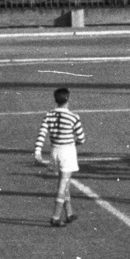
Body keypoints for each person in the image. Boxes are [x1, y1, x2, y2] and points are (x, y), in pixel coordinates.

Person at [34, 87, 86, 227]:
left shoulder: (48, 115)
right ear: (68, 99)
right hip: (67, 152)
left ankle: (69, 213)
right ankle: (55, 216)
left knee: (65, 182)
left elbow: (42, 134)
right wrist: (73, 142)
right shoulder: (73, 117)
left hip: (54, 151)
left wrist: (38, 152)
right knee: (63, 183)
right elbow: (81, 138)